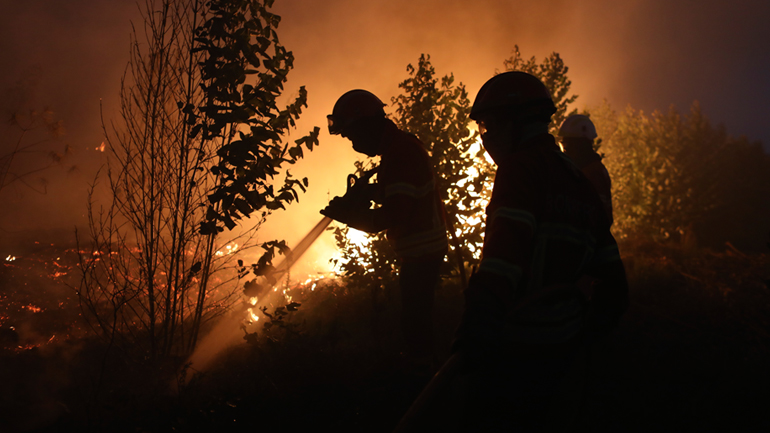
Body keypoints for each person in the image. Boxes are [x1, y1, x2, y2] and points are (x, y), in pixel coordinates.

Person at [447, 72, 629, 431]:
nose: (486, 136)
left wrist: (477, 325)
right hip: (562, 349)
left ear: (516, 121)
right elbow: (613, 279)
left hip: (515, 345)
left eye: (489, 125)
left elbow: (503, 260)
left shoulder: (520, 168)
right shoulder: (578, 181)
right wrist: (585, 332)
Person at [321, 89, 449, 369]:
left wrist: (349, 215)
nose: (353, 144)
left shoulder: (400, 153)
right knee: (417, 318)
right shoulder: (399, 147)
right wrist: (367, 192)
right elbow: (403, 192)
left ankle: (425, 377)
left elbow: (393, 215)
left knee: (415, 323)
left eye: (352, 136)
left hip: (422, 253)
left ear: (366, 125)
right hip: (423, 250)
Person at [558, 114, 614, 225]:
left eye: (566, 145)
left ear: (579, 145)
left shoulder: (591, 174)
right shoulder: (591, 170)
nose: (565, 150)